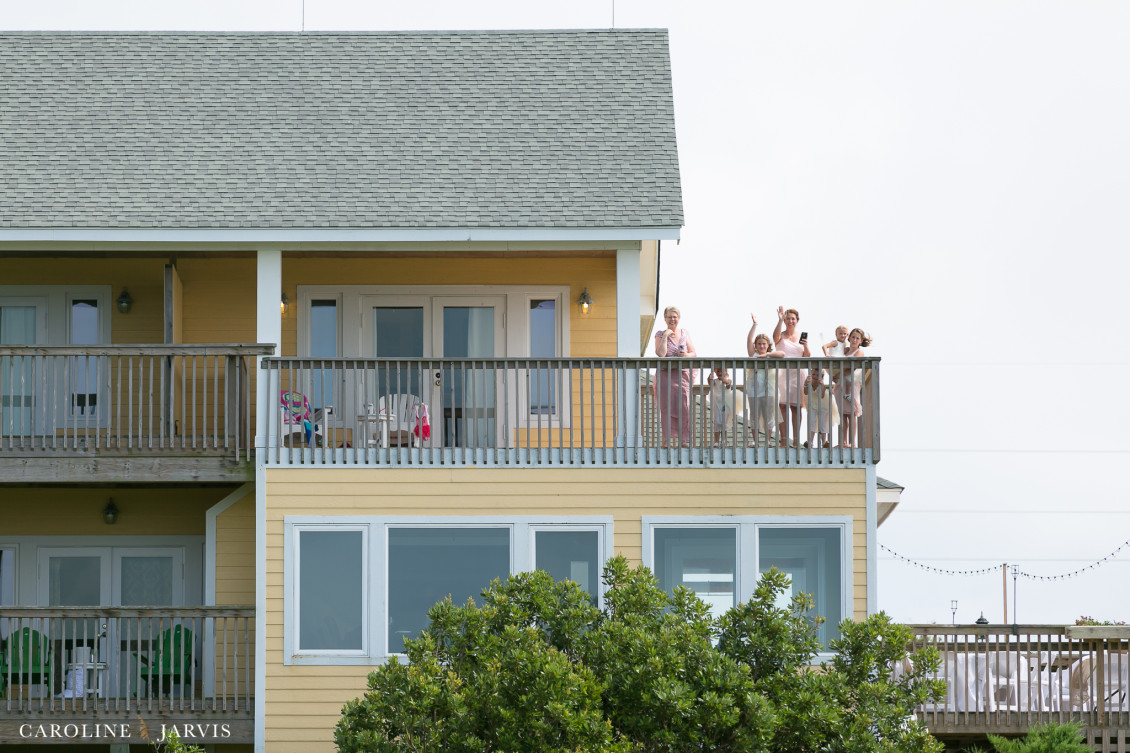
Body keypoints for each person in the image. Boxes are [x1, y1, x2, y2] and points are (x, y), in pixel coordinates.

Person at [653, 306, 696, 447]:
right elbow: (660, 354)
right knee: (666, 408)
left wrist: (686, 355)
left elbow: (693, 353)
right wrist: (665, 336)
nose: (672, 319)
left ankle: (683, 440)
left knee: (684, 407)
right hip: (666, 375)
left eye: (675, 317)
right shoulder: (660, 334)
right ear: (665, 319)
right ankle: (666, 440)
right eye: (670, 317)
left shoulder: (684, 333)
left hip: (682, 375)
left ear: (678, 318)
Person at [772, 306, 810, 447]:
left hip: (797, 374)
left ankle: (795, 440)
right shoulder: (780, 334)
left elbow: (807, 356)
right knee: (782, 405)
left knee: (796, 407)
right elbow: (774, 338)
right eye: (788, 318)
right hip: (782, 373)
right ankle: (783, 439)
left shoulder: (801, 336)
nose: (790, 321)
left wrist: (805, 345)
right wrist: (780, 320)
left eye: (792, 319)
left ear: (797, 321)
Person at [745, 319, 784, 446]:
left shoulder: (771, 354)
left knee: (769, 415)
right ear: (756, 345)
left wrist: (766, 356)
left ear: (768, 345)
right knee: (754, 414)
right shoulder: (753, 354)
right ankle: (755, 441)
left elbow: (782, 354)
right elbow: (749, 340)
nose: (761, 346)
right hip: (754, 388)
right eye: (759, 344)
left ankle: (767, 440)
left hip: (770, 389)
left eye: (764, 344)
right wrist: (755, 325)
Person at [839, 328, 872, 448]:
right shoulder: (845, 350)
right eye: (853, 337)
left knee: (851, 413)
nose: (854, 340)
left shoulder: (858, 352)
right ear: (849, 337)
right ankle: (842, 441)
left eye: (857, 338)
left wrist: (841, 371)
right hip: (841, 384)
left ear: (861, 341)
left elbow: (851, 367)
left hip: (851, 384)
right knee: (842, 414)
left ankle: (852, 442)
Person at [804, 368, 837, 448]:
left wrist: (822, 384)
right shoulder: (809, 382)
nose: (815, 376)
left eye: (817, 375)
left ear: (821, 377)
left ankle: (824, 441)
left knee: (823, 422)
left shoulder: (821, 384)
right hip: (812, 402)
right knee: (811, 421)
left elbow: (822, 395)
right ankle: (810, 441)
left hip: (823, 403)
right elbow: (805, 392)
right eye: (813, 374)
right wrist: (805, 383)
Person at [707, 366, 734, 447]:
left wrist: (724, 380)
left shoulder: (728, 380)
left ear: (726, 371)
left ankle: (724, 441)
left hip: (725, 404)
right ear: (715, 372)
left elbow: (728, 386)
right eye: (718, 371)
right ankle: (716, 441)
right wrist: (709, 377)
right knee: (717, 422)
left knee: (723, 422)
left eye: (721, 371)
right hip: (716, 403)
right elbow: (710, 383)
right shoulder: (714, 381)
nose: (720, 373)